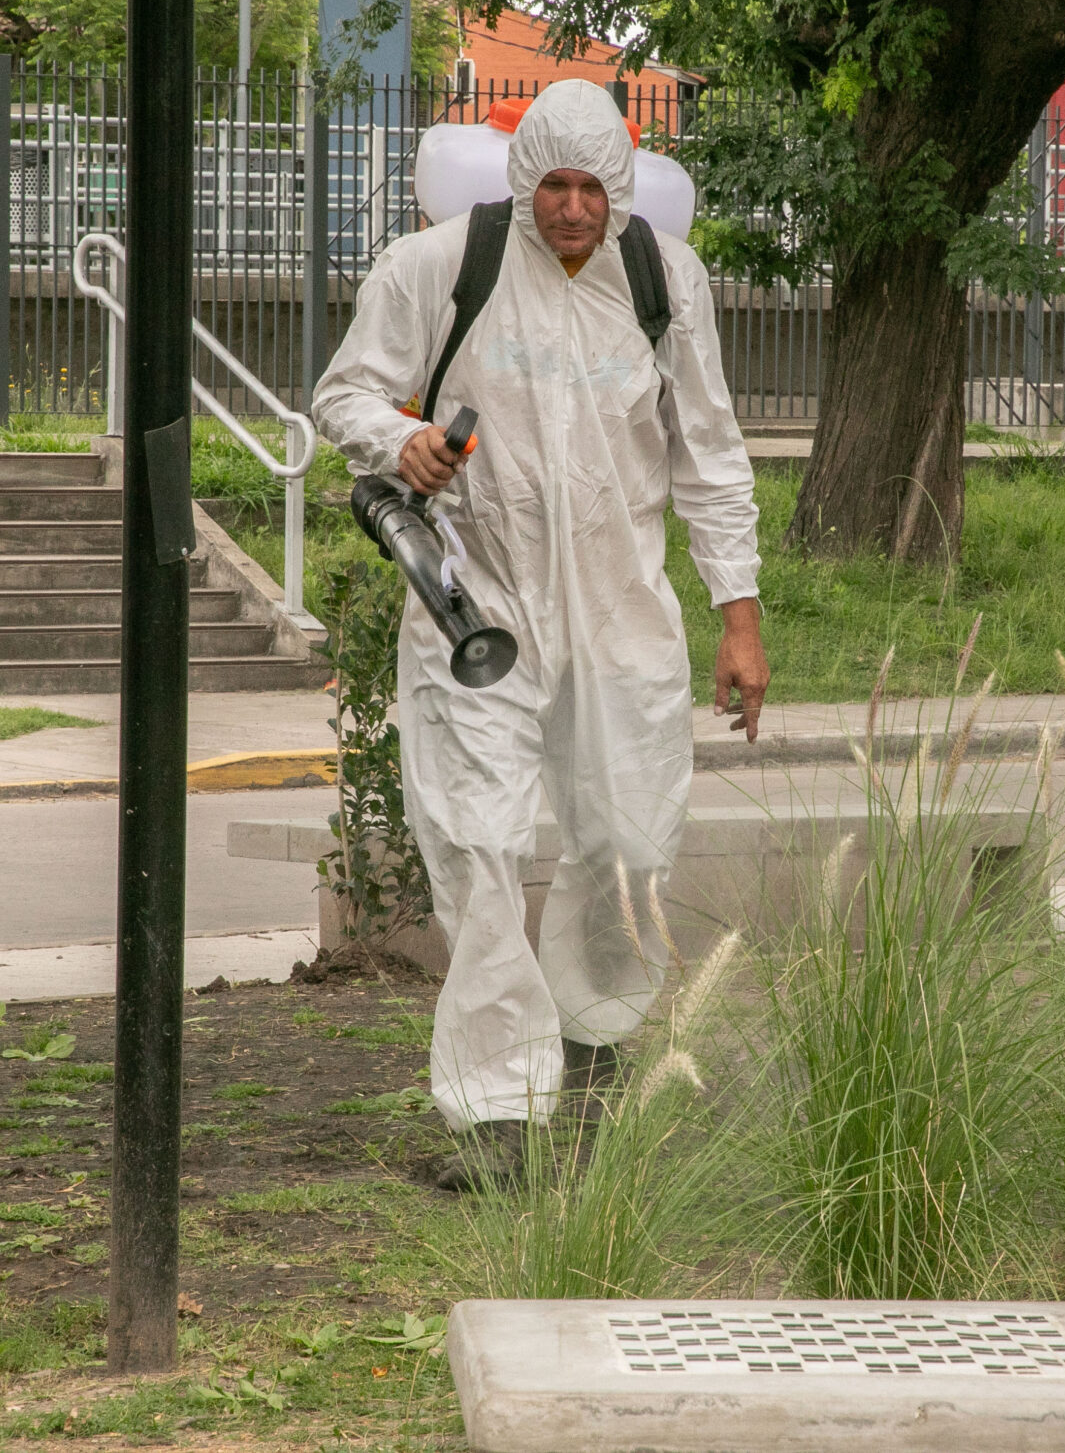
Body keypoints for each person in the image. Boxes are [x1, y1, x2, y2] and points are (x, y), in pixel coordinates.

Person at [311, 80, 768, 1189]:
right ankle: (497, 1119)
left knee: (627, 837)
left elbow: (709, 453)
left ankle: (595, 1058)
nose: (571, 209)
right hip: (479, 604)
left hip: (621, 612)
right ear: (523, 181)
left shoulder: (665, 279)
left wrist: (739, 616)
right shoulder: (438, 267)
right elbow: (343, 394)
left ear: (622, 189)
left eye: (592, 189)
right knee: (478, 844)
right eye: (553, 186)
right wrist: (400, 440)